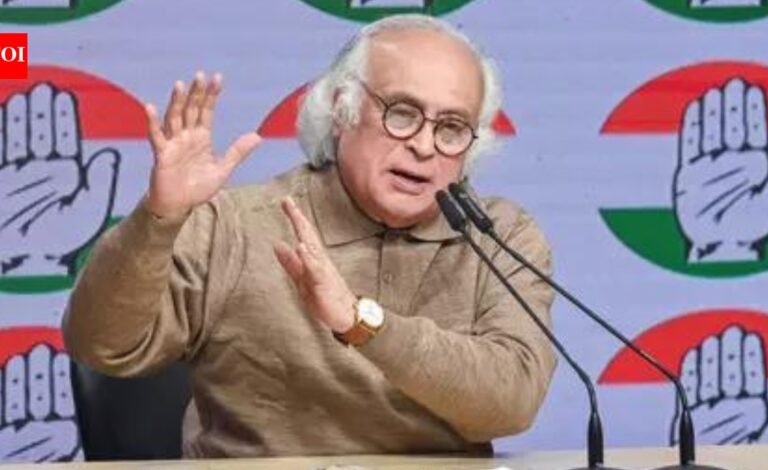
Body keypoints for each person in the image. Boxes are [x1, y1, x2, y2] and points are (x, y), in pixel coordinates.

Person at [62, 14, 557, 458]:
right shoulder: (235, 224)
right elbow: (102, 344)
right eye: (403, 113)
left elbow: (511, 403)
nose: (425, 146)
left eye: (451, 127)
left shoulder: (500, 237)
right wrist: (158, 220)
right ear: (343, 110)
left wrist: (363, 324)